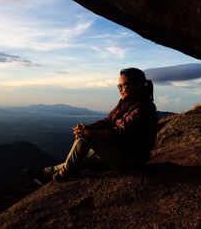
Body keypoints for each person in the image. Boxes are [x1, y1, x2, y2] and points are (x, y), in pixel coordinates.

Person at [26, 68, 158, 184]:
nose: (120, 89)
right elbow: (107, 121)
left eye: (124, 85)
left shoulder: (144, 107)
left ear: (138, 85)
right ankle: (44, 173)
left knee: (86, 139)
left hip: (131, 159)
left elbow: (119, 132)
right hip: (120, 152)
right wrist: (87, 128)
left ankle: (65, 173)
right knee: (81, 158)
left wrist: (90, 134)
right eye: (119, 86)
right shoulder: (126, 103)